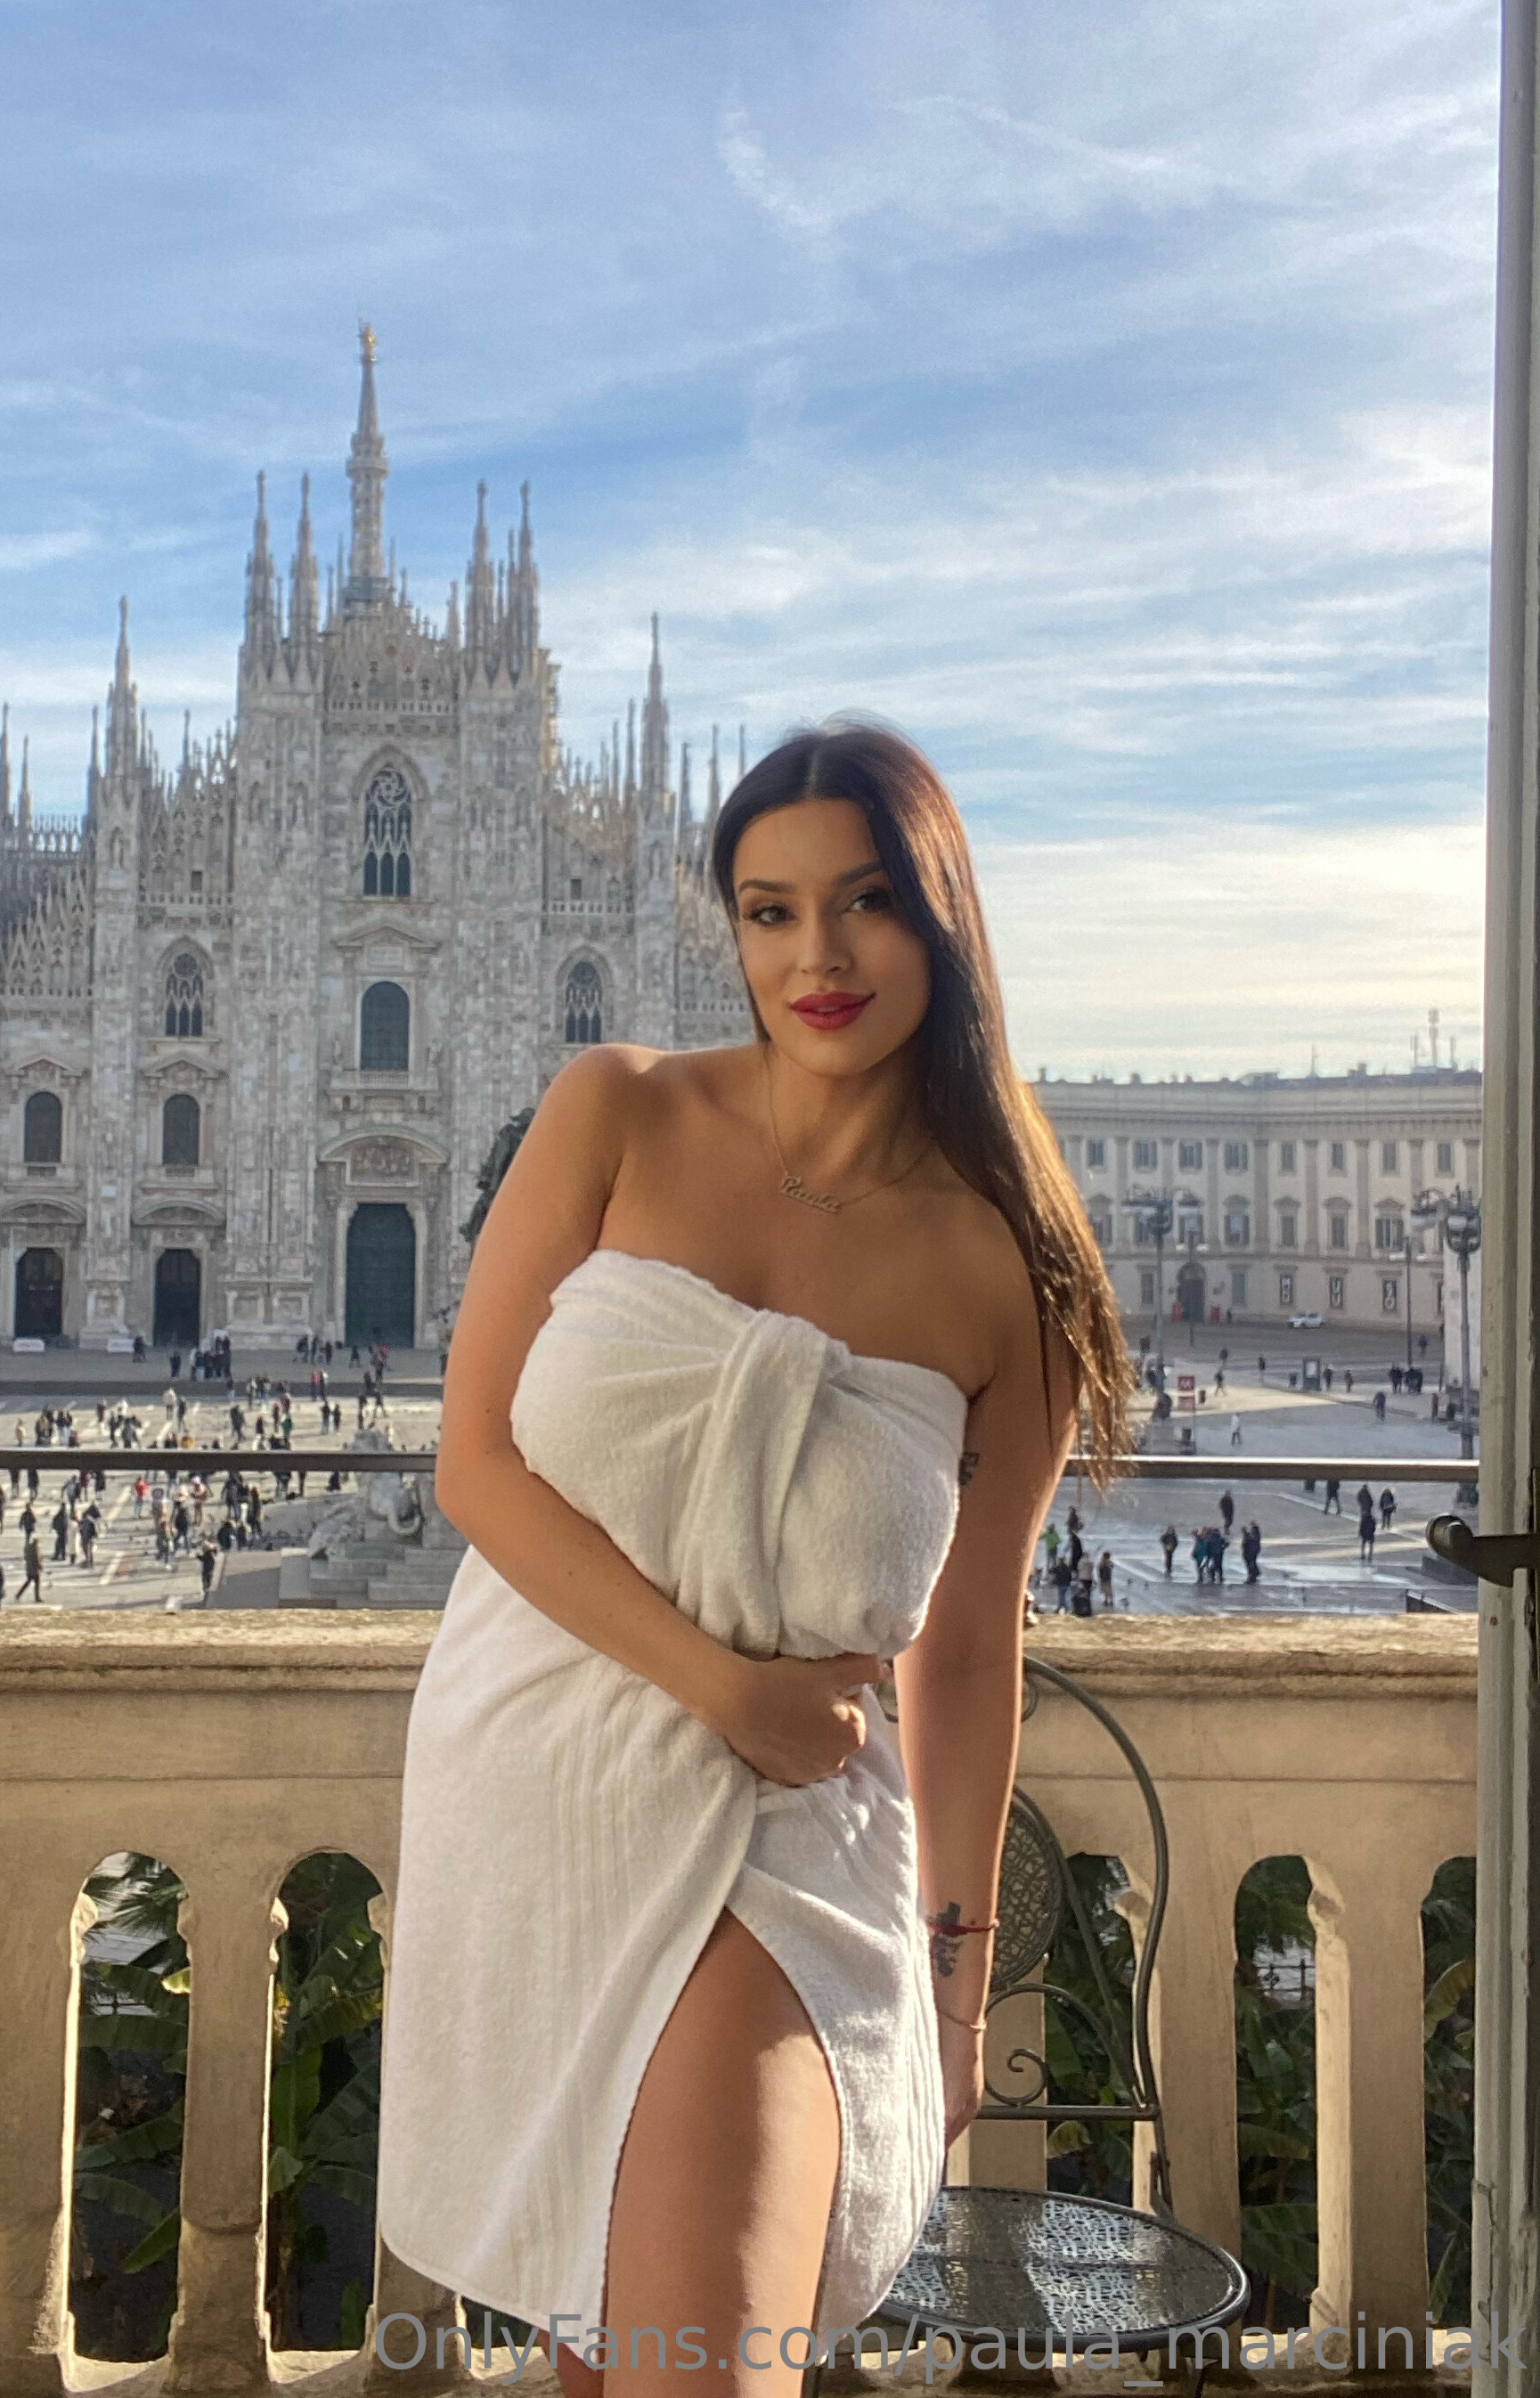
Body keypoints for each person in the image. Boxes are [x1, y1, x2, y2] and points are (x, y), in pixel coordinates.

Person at [375, 721, 1129, 2385]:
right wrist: (725, 1687)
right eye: (770, 912)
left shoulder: (1009, 1272)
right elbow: (475, 1465)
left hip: (788, 1840)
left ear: (942, 915)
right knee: (604, 2351)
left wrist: (957, 1988)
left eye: (866, 902)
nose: (818, 958)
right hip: (541, 1797)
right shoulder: (616, 1107)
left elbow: (967, 1648)